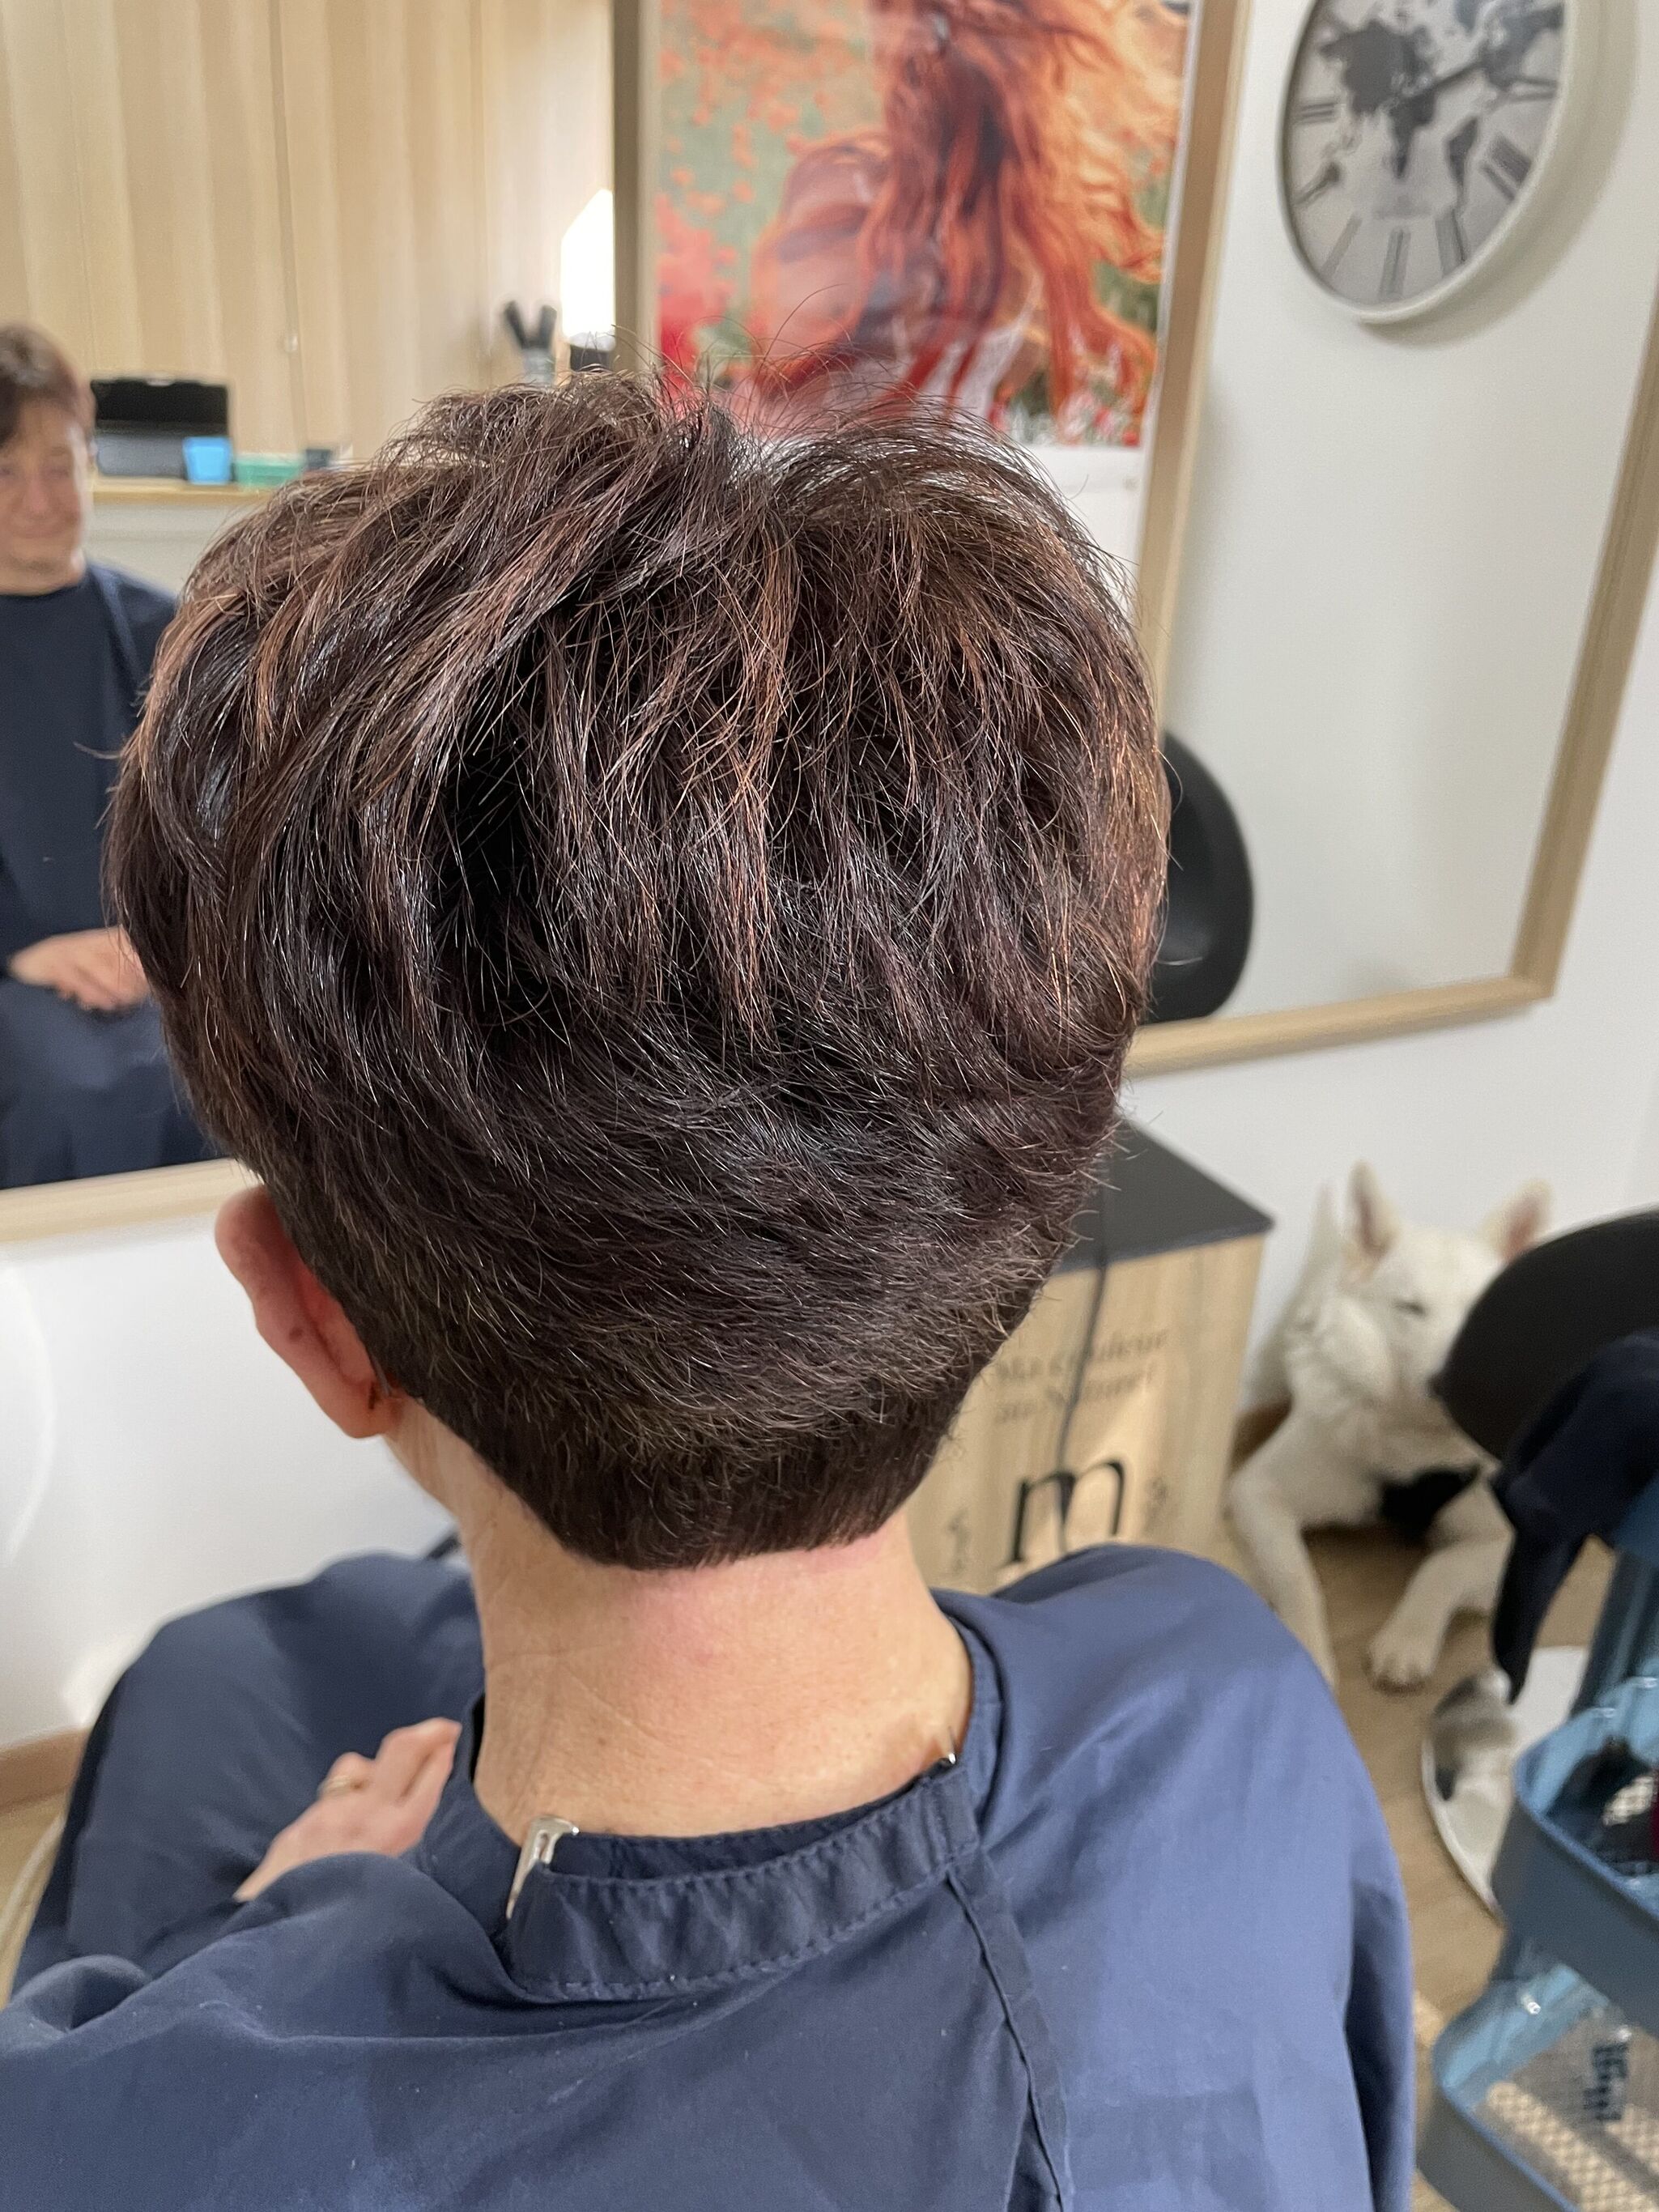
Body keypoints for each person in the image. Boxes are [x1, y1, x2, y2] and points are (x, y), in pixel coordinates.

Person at [0, 378, 1413, 2210]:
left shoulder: (114, 2132)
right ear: (1028, 1206)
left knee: (205, 1682)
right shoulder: (1232, 1700)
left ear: (310, 1320)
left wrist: (265, 1932)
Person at [0, 323, 214, 1187]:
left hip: (161, 962)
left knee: (238, 1066)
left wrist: (158, 942)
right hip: (19, 974)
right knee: (78, 1095)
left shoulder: (166, 630)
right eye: (6, 472)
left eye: (60, 466)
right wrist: (24, 952)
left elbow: (216, 823)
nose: (39, 499)